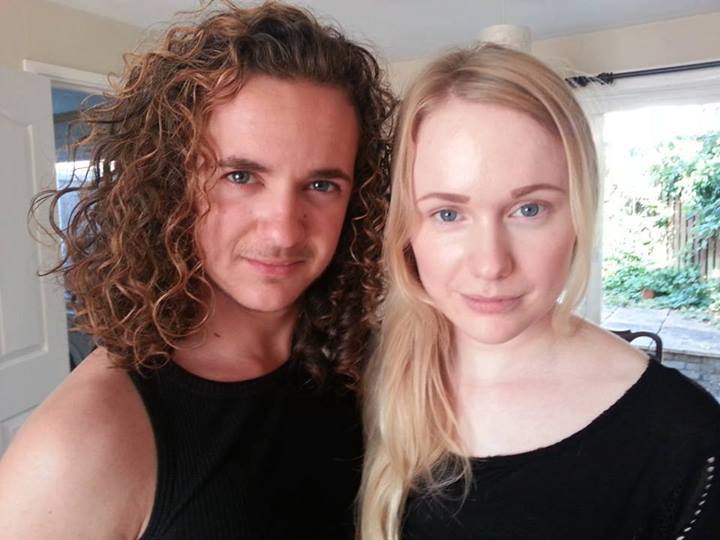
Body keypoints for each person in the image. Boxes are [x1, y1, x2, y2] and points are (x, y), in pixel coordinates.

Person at [0, 2, 394, 539]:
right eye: (240, 176)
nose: (284, 230)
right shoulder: (82, 442)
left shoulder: (360, 365)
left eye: (321, 185)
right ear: (171, 182)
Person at [359, 43, 720, 540]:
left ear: (579, 213)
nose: (491, 264)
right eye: (448, 214)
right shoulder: (357, 382)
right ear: (406, 228)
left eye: (529, 210)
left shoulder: (685, 441)